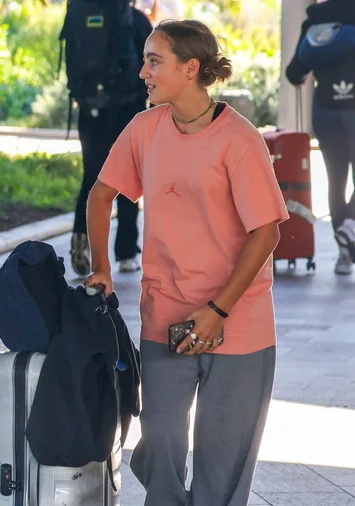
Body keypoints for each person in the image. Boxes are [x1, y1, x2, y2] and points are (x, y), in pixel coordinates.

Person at [84, 20, 288, 506]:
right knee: (162, 443)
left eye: (154, 61)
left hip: (238, 323)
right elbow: (100, 195)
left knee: (222, 463)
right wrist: (102, 267)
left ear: (191, 68)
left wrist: (218, 311)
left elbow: (267, 233)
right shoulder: (145, 129)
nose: (143, 72)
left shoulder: (239, 140)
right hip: (167, 316)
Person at [70, 2, 152, 276]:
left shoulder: (80, 13)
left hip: (89, 109)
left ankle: (80, 240)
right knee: (128, 176)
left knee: (92, 176)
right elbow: (152, 67)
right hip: (128, 110)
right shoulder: (135, 20)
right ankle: (127, 252)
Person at [285, 0, 355, 275]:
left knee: (336, 180)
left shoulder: (316, 19)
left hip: (326, 111)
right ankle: (351, 224)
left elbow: (294, 72)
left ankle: (344, 254)